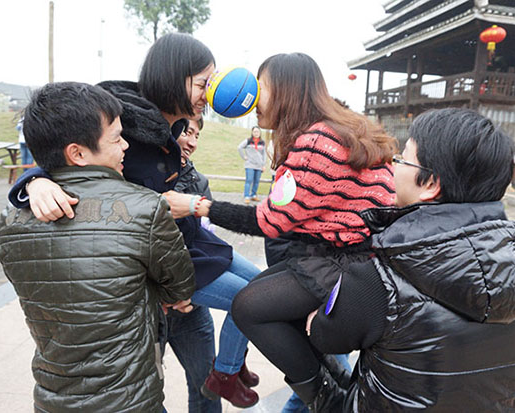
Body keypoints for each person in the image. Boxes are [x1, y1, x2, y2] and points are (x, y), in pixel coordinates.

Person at [6, 33, 260, 410]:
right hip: (160, 268)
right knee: (250, 303)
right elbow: (62, 153)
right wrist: (34, 181)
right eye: (203, 83)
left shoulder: (175, 126)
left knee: (262, 286)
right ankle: (226, 371)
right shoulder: (123, 119)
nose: (209, 93)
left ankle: (230, 365)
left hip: (189, 246)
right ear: (173, 77)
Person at [164, 52, 397, 412]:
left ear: (288, 91)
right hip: (356, 260)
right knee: (262, 297)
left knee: (248, 307)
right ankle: (335, 382)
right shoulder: (340, 128)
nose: (254, 98)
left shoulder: (315, 143)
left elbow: (270, 221)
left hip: (342, 265)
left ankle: (328, 398)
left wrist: (197, 205)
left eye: (262, 88)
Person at [307, 108, 515, 412]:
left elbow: (325, 337)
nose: (394, 169)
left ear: (430, 184)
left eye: (402, 160)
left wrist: (316, 319)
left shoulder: (379, 277)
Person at [0, 82, 196, 412]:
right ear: (78, 153)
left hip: (52, 398)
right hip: (130, 399)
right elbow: (180, 287)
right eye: (116, 139)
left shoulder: (13, 216)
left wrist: (34, 180)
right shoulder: (145, 208)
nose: (126, 145)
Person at [238, 126, 266, 203]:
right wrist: (244, 157)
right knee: (249, 180)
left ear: (260, 133)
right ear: (252, 133)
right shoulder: (248, 141)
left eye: (258, 131)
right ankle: (246, 196)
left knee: (256, 181)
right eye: (255, 132)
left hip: (259, 166)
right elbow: (239, 147)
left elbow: (264, 154)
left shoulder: (262, 142)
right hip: (250, 164)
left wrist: (263, 165)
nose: (256, 133)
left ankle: (253, 195)